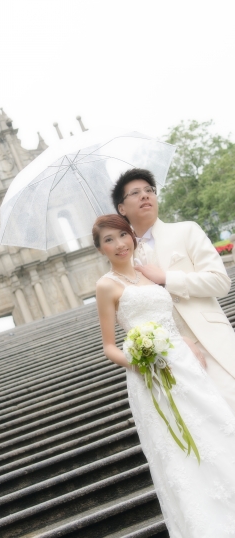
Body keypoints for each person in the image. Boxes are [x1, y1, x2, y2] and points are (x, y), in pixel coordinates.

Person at [94, 214, 235, 538]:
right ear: (101, 249)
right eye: (108, 240)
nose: (118, 244)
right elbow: (109, 346)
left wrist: (186, 342)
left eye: (122, 235)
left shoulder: (149, 271)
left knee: (217, 431)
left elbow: (170, 320)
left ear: (132, 236)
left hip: (185, 366)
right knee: (178, 452)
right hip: (149, 376)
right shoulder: (106, 285)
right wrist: (140, 361)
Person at [111, 168, 235, 413]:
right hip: (174, 358)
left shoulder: (186, 230)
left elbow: (220, 282)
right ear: (121, 208)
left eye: (149, 190)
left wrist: (167, 278)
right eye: (135, 193)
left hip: (212, 341)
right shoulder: (124, 258)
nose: (145, 196)